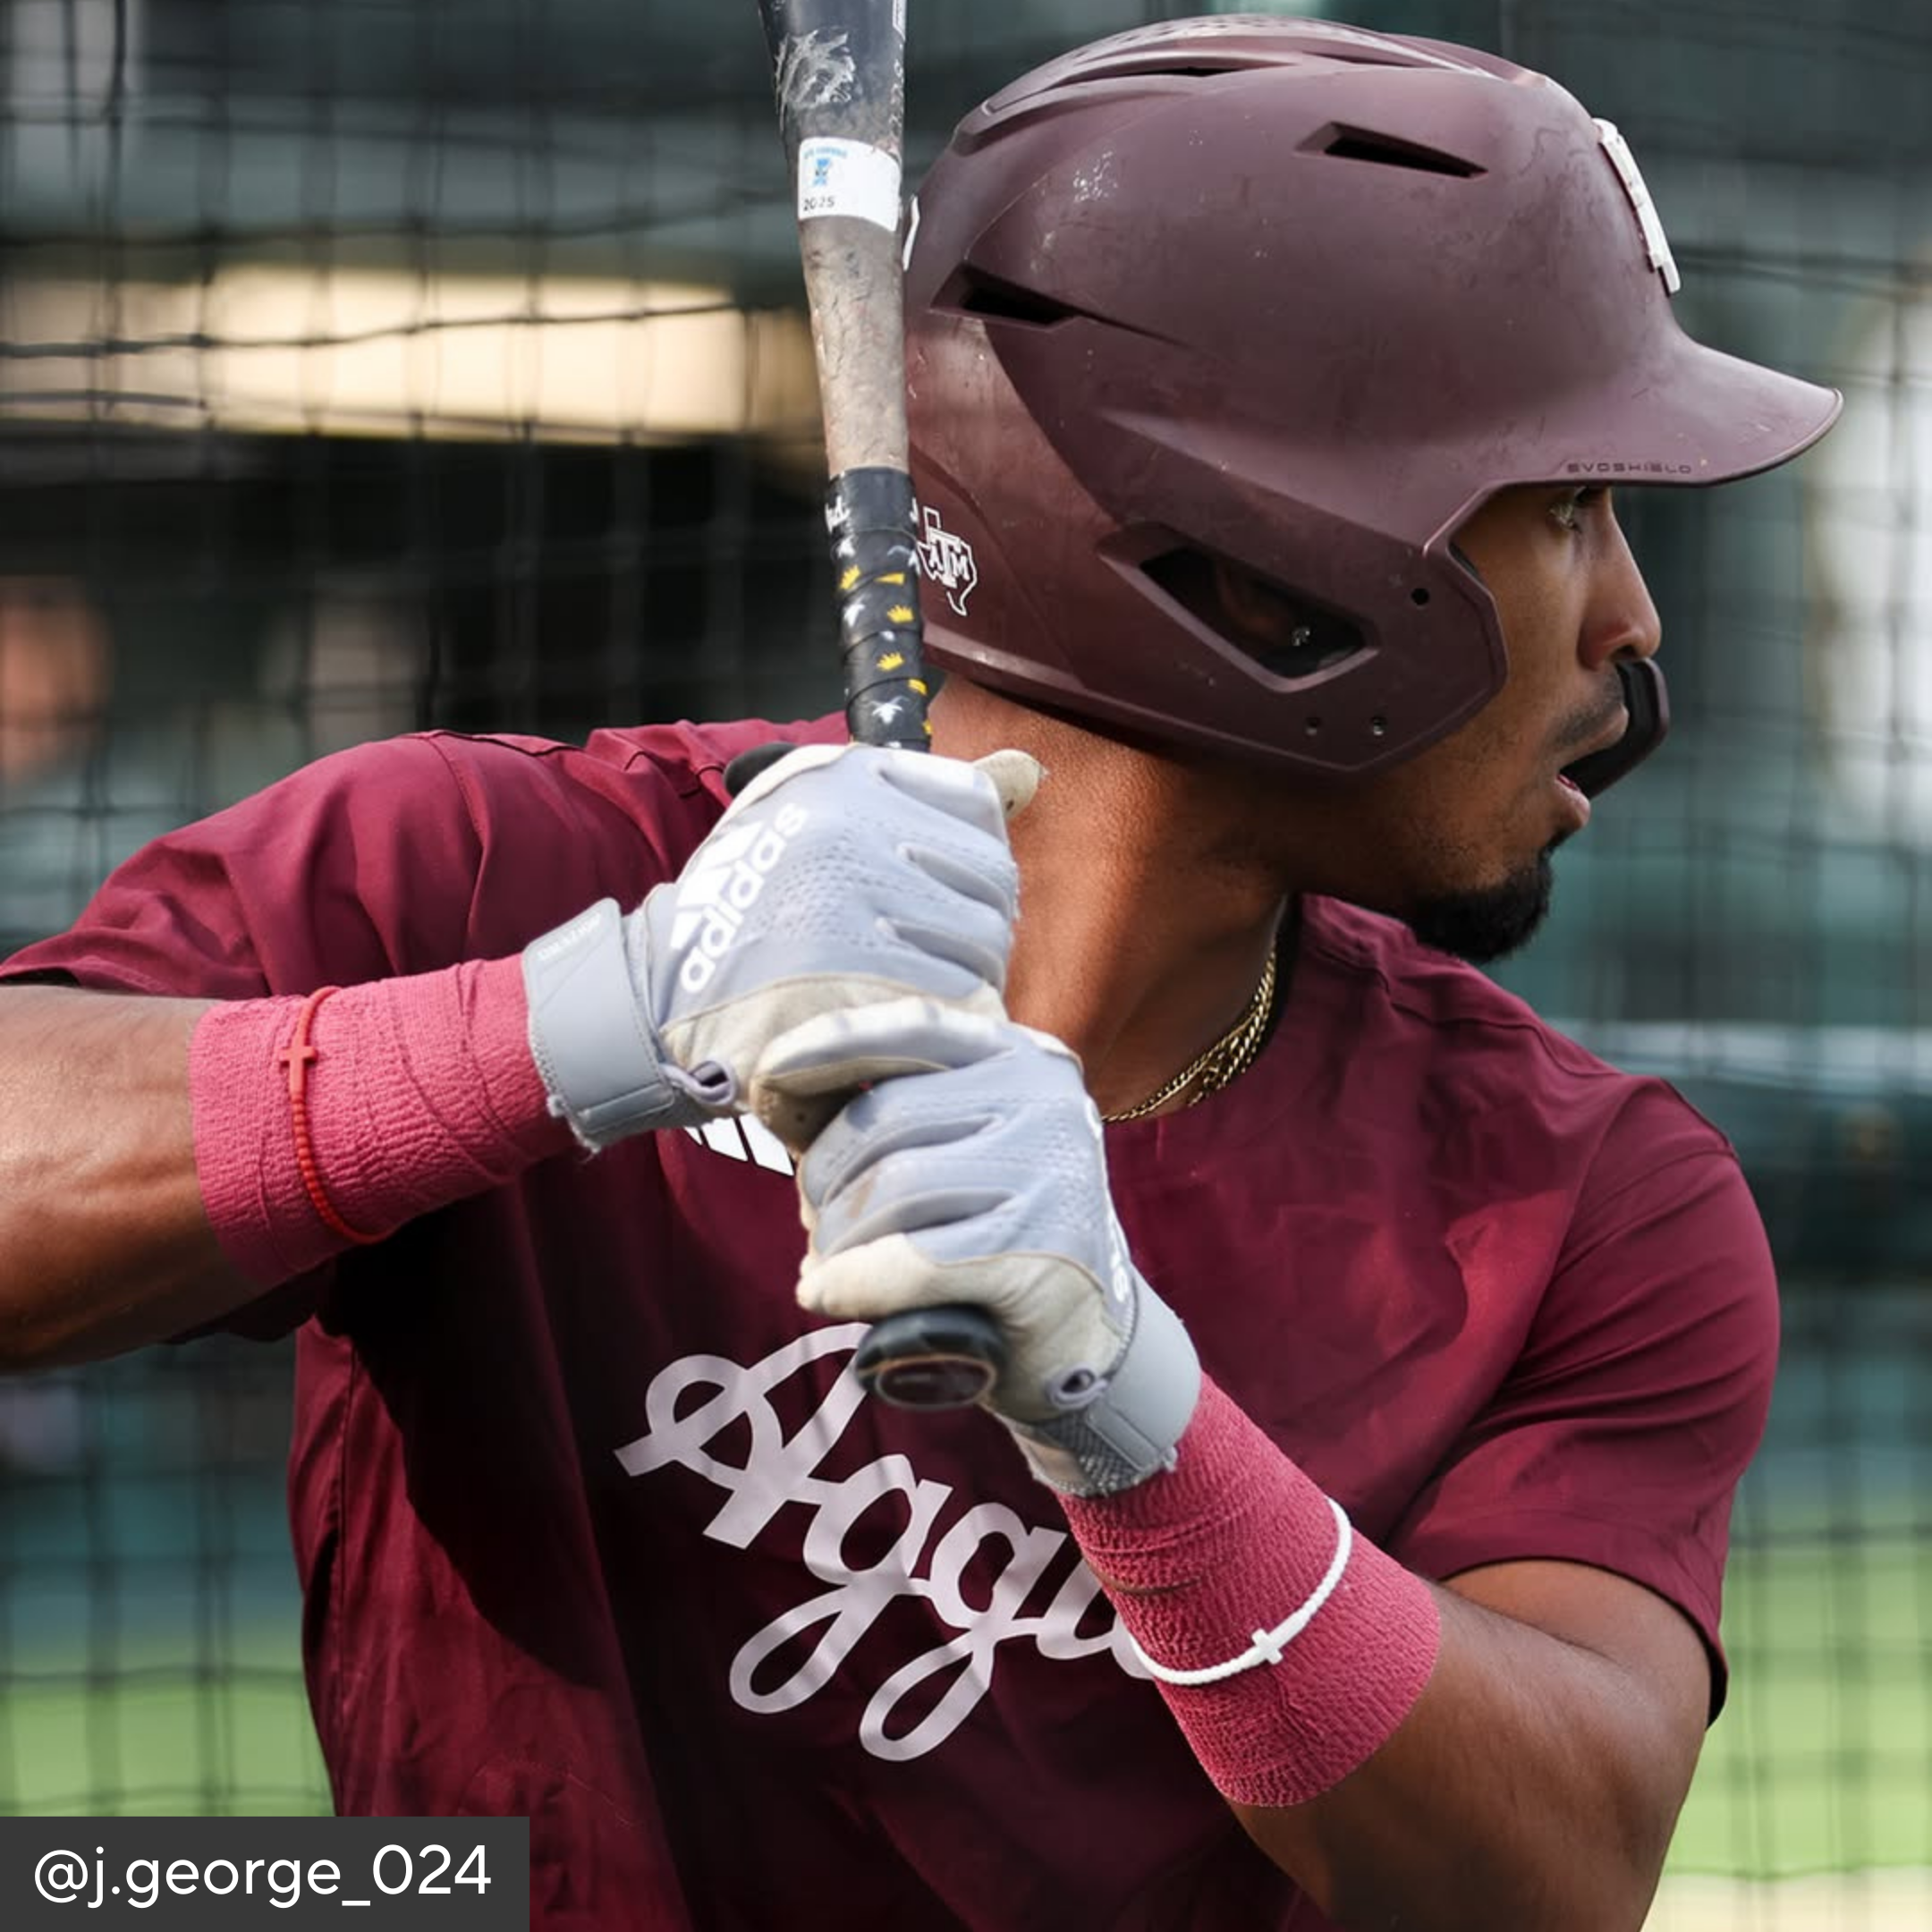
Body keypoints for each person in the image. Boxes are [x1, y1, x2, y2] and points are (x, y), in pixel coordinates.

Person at [0, 20, 1842, 1932]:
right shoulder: (486, 872)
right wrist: (607, 1017)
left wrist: (1133, 1415)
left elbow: (1546, 1882)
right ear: (1271, 572)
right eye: (1567, 513)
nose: (1629, 622)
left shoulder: (1593, 1203)